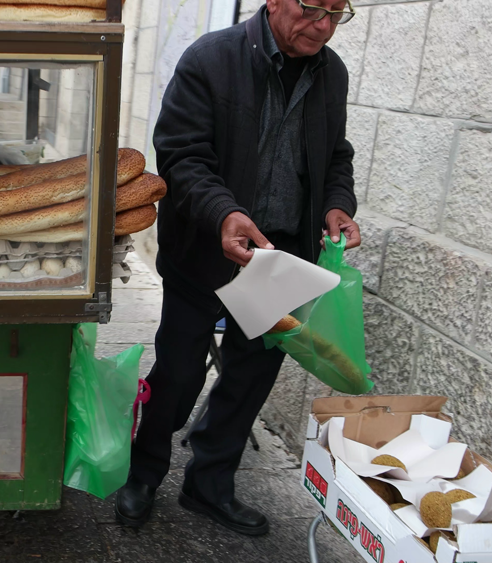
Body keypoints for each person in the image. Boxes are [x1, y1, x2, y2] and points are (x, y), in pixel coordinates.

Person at [115, 0, 362, 536]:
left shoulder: (332, 72)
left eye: (337, 12)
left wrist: (337, 202)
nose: (322, 25)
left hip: (280, 260)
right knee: (177, 376)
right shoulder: (211, 58)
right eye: (311, 8)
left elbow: (334, 153)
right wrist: (224, 213)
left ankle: (210, 485)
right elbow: (180, 154)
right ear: (275, 0)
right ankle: (143, 472)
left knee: (249, 377)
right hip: (205, 253)